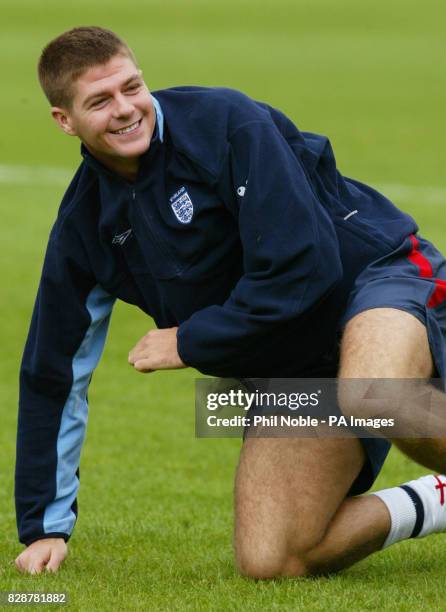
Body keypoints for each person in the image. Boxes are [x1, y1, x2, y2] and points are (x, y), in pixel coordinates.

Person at [15, 26, 446, 577]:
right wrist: (45, 525)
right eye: (100, 101)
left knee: (372, 393)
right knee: (272, 559)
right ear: (64, 120)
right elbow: (54, 372)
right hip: (294, 366)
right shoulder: (85, 227)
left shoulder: (224, 122)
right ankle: (434, 498)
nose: (125, 110)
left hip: (375, 282)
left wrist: (190, 341)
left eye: (132, 86)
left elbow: (305, 266)